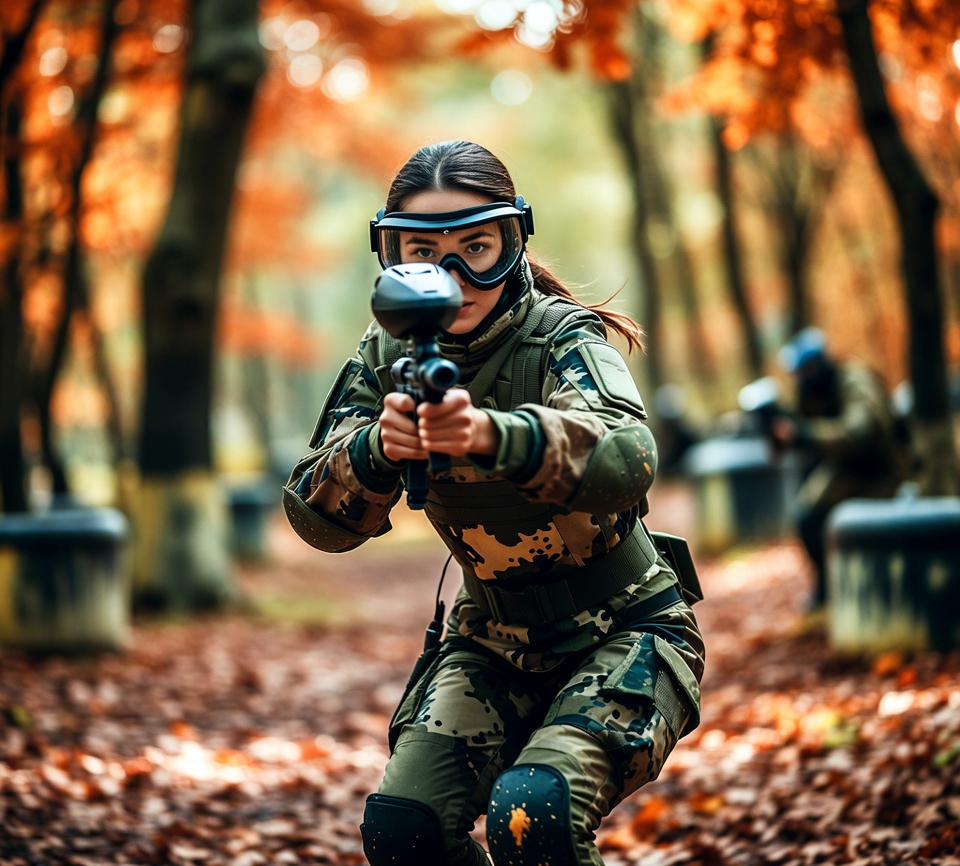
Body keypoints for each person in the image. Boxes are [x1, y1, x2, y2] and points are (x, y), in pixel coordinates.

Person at [283, 141, 704, 866]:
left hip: (627, 632)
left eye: (477, 247)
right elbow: (315, 520)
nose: (454, 277)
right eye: (423, 253)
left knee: (535, 812)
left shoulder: (560, 336)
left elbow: (627, 457)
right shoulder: (384, 359)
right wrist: (377, 450)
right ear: (390, 258)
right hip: (492, 644)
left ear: (512, 242)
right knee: (404, 827)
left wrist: (492, 435)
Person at [769, 327, 904, 611]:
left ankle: (852, 590)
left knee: (870, 532)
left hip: (883, 469)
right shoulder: (811, 389)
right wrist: (782, 435)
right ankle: (828, 587)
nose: (802, 379)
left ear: (820, 364)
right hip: (848, 469)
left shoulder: (855, 382)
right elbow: (801, 429)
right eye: (798, 373)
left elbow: (859, 433)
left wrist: (804, 433)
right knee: (807, 516)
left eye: (806, 371)